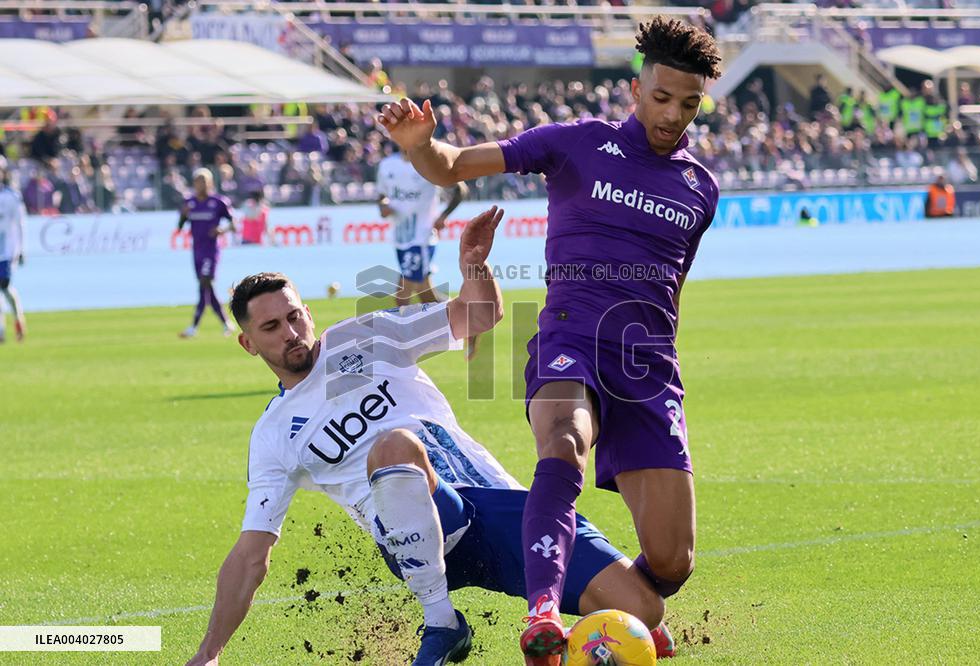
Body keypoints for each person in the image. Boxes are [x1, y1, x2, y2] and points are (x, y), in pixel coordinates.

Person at [377, 16, 721, 665]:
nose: (673, 114)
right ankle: (542, 618)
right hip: (571, 339)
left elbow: (668, 289)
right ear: (635, 88)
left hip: (648, 368)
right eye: (661, 97)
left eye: (689, 103)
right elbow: (450, 167)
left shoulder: (701, 189)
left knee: (673, 563)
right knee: (563, 442)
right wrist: (420, 147)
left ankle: (630, 612)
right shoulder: (576, 143)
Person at [183, 208, 667, 666]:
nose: (291, 332)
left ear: (308, 312)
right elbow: (252, 554)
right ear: (249, 343)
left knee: (644, 610)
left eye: (294, 317)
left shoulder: (362, 337)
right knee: (393, 447)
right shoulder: (272, 436)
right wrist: (209, 652)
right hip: (419, 542)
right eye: (271, 327)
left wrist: (474, 266)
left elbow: (478, 315)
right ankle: (442, 620)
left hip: (495, 502)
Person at [375, 147, 467, 308]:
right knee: (427, 297)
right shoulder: (387, 164)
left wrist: (443, 215)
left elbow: (460, 190)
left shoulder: (428, 164)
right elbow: (382, 195)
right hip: (400, 238)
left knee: (402, 296)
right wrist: (383, 206)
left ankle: (403, 332)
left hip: (422, 238)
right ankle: (466, 317)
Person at [177, 168, 237, 338]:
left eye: (203, 181)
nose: (200, 185)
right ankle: (226, 323)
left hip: (211, 251)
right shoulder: (189, 202)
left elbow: (234, 224)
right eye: (197, 181)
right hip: (196, 251)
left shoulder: (219, 202)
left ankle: (194, 327)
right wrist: (183, 215)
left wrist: (222, 230)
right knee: (206, 287)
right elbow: (180, 227)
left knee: (204, 283)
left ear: (210, 183)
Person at [0, 167, 27, 343]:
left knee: (5, 288)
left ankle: (18, 318)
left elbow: (20, 223)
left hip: (5, 252)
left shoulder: (11, 197)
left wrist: (21, 249)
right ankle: (1, 332)